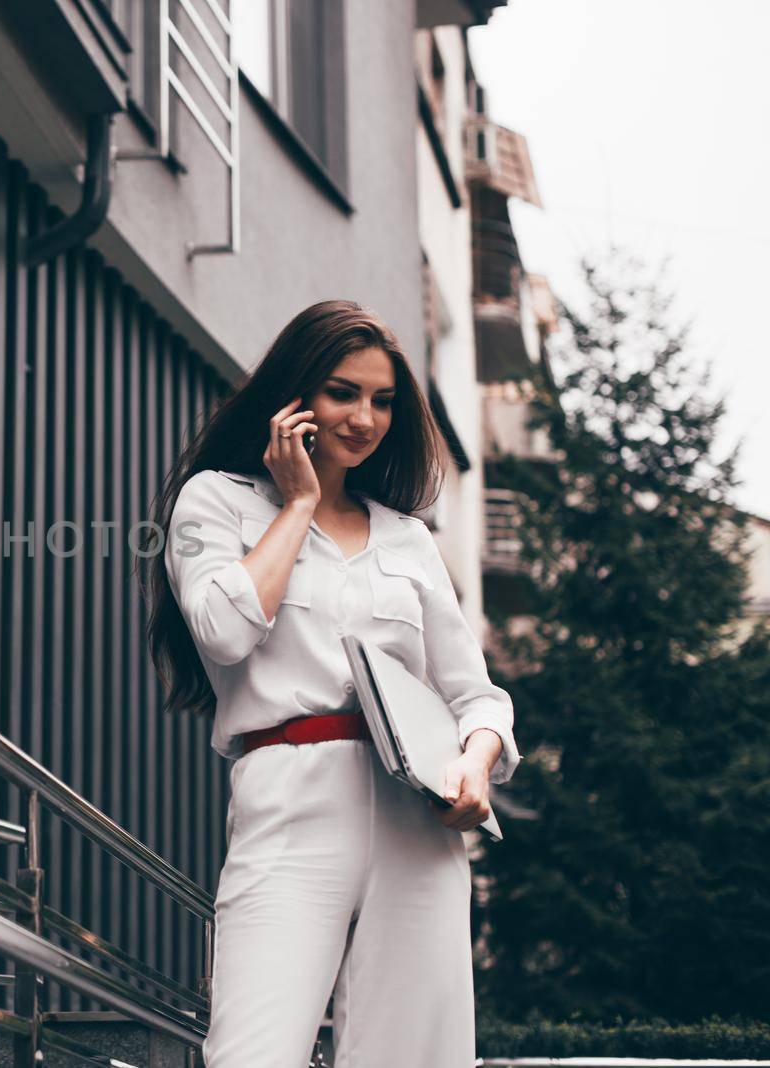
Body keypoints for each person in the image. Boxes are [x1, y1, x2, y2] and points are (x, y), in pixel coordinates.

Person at [141, 299, 522, 1067]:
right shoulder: (216, 500)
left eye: (382, 400)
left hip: (417, 815)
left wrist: (477, 765)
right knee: (253, 1050)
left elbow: (476, 696)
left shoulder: (408, 538)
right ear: (294, 396)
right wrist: (302, 503)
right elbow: (221, 629)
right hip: (290, 795)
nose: (365, 417)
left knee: (415, 1055)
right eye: (343, 392)